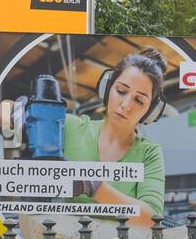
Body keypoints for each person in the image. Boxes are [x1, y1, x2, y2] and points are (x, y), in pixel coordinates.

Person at [61, 48, 168, 227]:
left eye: (139, 101)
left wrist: (95, 187)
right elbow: (19, 114)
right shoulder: (71, 127)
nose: (126, 105)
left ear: (149, 111)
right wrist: (11, 109)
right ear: (108, 88)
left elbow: (152, 219)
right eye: (121, 91)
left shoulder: (149, 153)